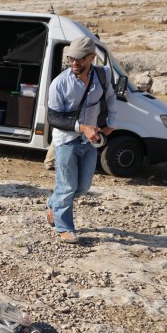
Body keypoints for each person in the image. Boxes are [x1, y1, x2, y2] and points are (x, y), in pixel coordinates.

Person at [46, 36, 116, 244]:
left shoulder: (103, 75)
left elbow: (110, 97)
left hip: (90, 140)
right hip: (66, 141)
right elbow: (53, 117)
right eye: (71, 59)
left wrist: (111, 122)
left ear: (92, 58)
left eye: (79, 59)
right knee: (67, 187)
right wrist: (82, 127)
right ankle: (65, 228)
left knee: (82, 187)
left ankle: (53, 205)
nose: (74, 63)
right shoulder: (59, 83)